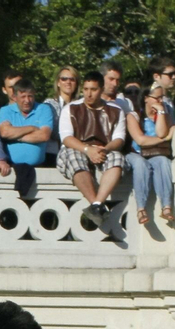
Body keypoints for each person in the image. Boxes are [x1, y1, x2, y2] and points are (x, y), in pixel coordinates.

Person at [57, 70, 126, 223]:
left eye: (93, 90)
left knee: (118, 158)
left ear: (101, 90)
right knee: (72, 155)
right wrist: (88, 150)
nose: (89, 94)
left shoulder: (115, 111)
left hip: (103, 150)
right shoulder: (71, 108)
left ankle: (96, 204)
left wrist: (105, 149)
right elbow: (66, 138)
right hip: (78, 148)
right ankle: (95, 204)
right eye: (86, 89)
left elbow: (119, 139)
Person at [126, 84, 175, 226]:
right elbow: (141, 140)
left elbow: (161, 131)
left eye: (162, 98)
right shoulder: (133, 115)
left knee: (164, 162)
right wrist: (164, 139)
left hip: (156, 154)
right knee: (141, 165)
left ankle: (166, 206)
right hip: (136, 154)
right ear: (146, 98)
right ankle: (141, 208)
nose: (160, 101)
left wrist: (160, 113)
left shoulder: (164, 114)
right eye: (157, 98)